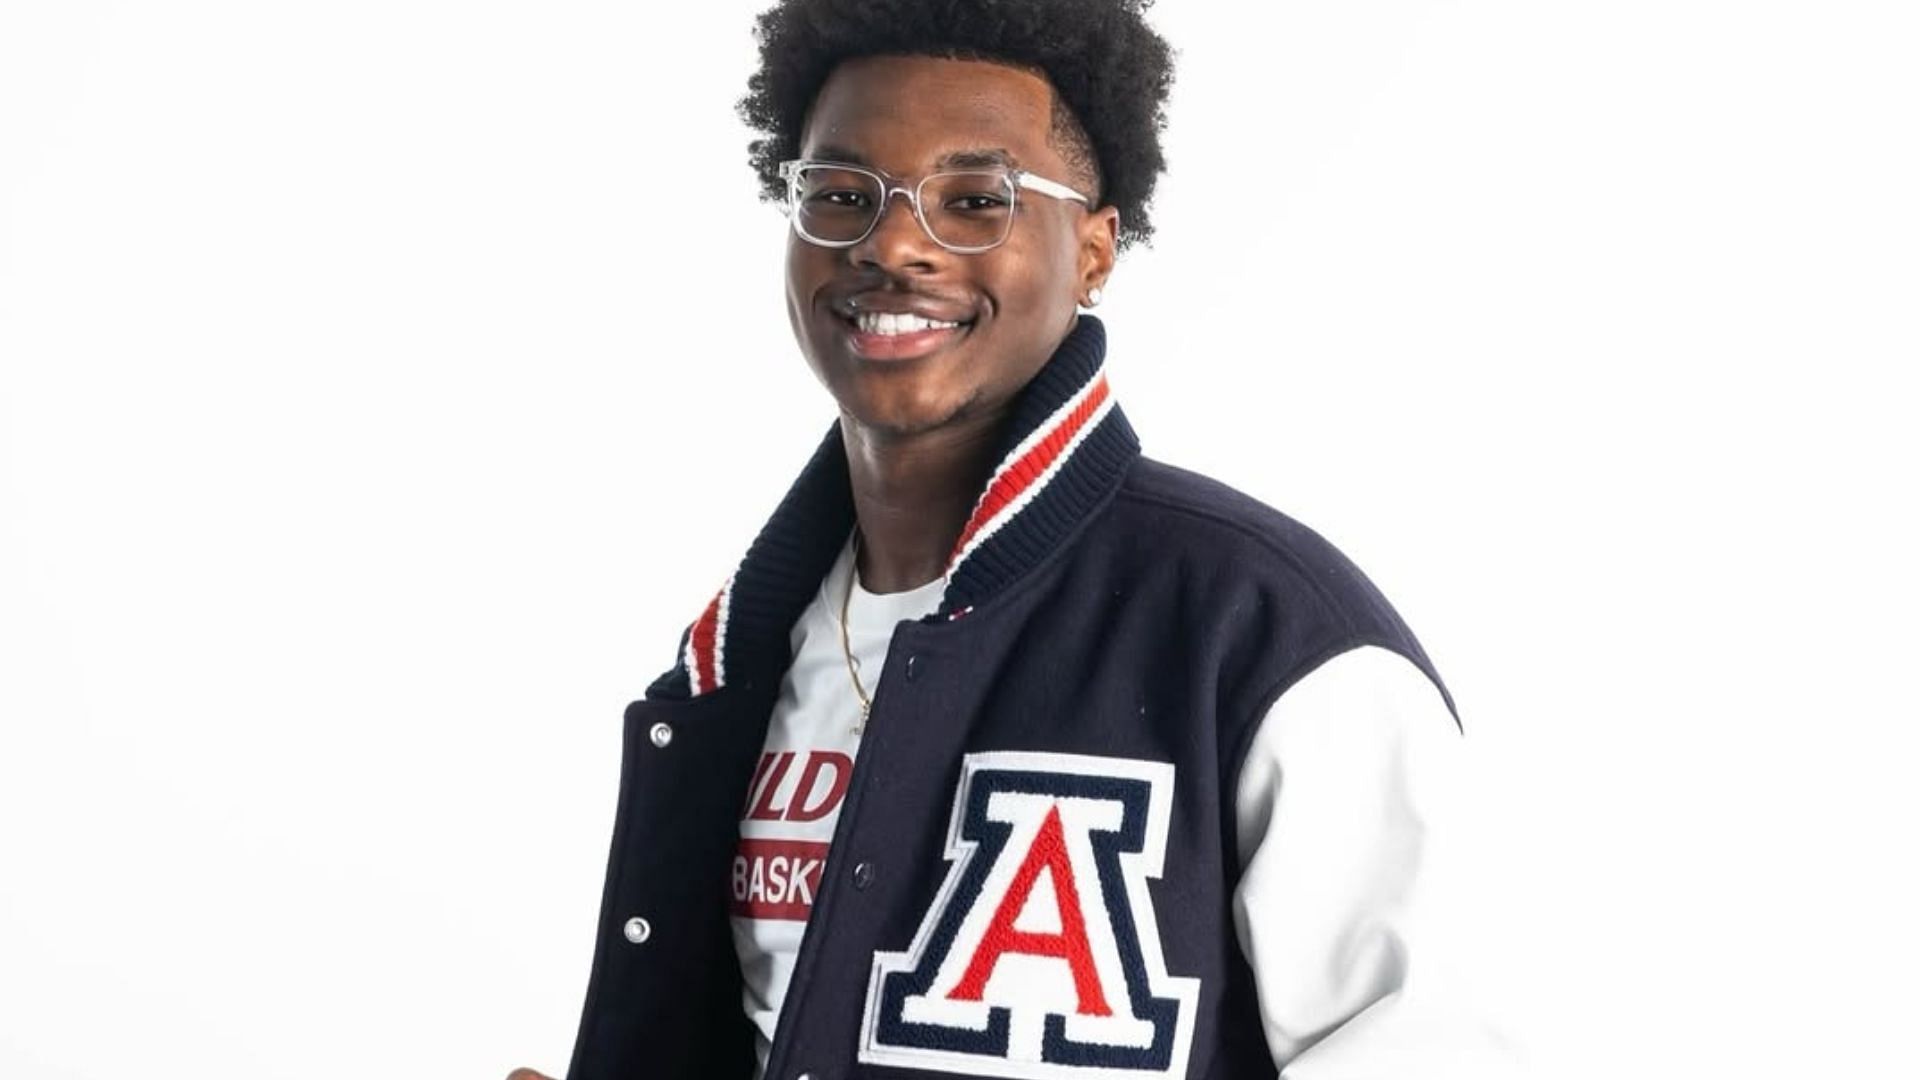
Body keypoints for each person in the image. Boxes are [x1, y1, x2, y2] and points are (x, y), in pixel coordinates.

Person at [511, 1, 1496, 1077]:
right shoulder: (741, 664)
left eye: (975, 200)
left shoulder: (1265, 630)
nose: (892, 244)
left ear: (1094, 250)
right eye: (840, 195)